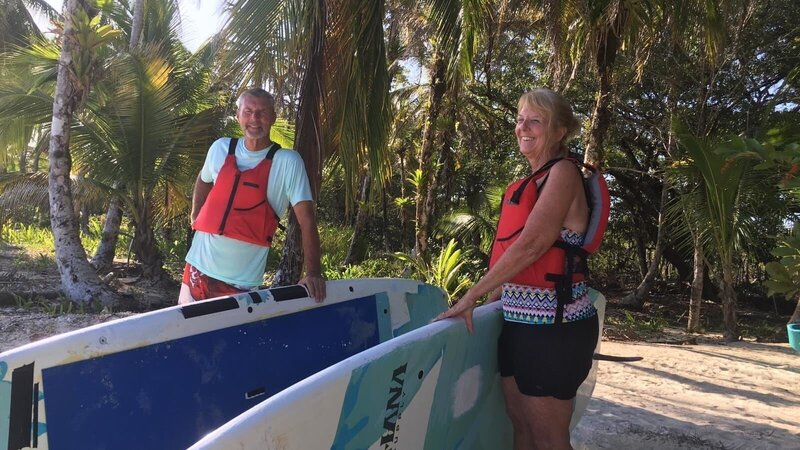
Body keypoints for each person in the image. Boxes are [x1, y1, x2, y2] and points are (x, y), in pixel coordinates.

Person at [435, 88, 598, 450]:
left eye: (535, 120)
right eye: (520, 119)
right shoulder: (529, 181)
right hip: (519, 325)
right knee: (520, 427)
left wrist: (470, 297)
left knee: (549, 438)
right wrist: (493, 301)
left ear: (559, 132)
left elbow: (533, 244)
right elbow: (512, 257)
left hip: (556, 328)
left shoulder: (564, 173)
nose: (523, 127)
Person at [178, 87, 326, 304]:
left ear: (273, 118)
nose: (254, 119)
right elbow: (203, 178)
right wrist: (196, 214)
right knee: (187, 336)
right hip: (196, 270)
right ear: (238, 116)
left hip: (242, 284)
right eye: (247, 111)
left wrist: (314, 272)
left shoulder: (288, 162)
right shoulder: (220, 148)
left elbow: (307, 221)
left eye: (262, 112)